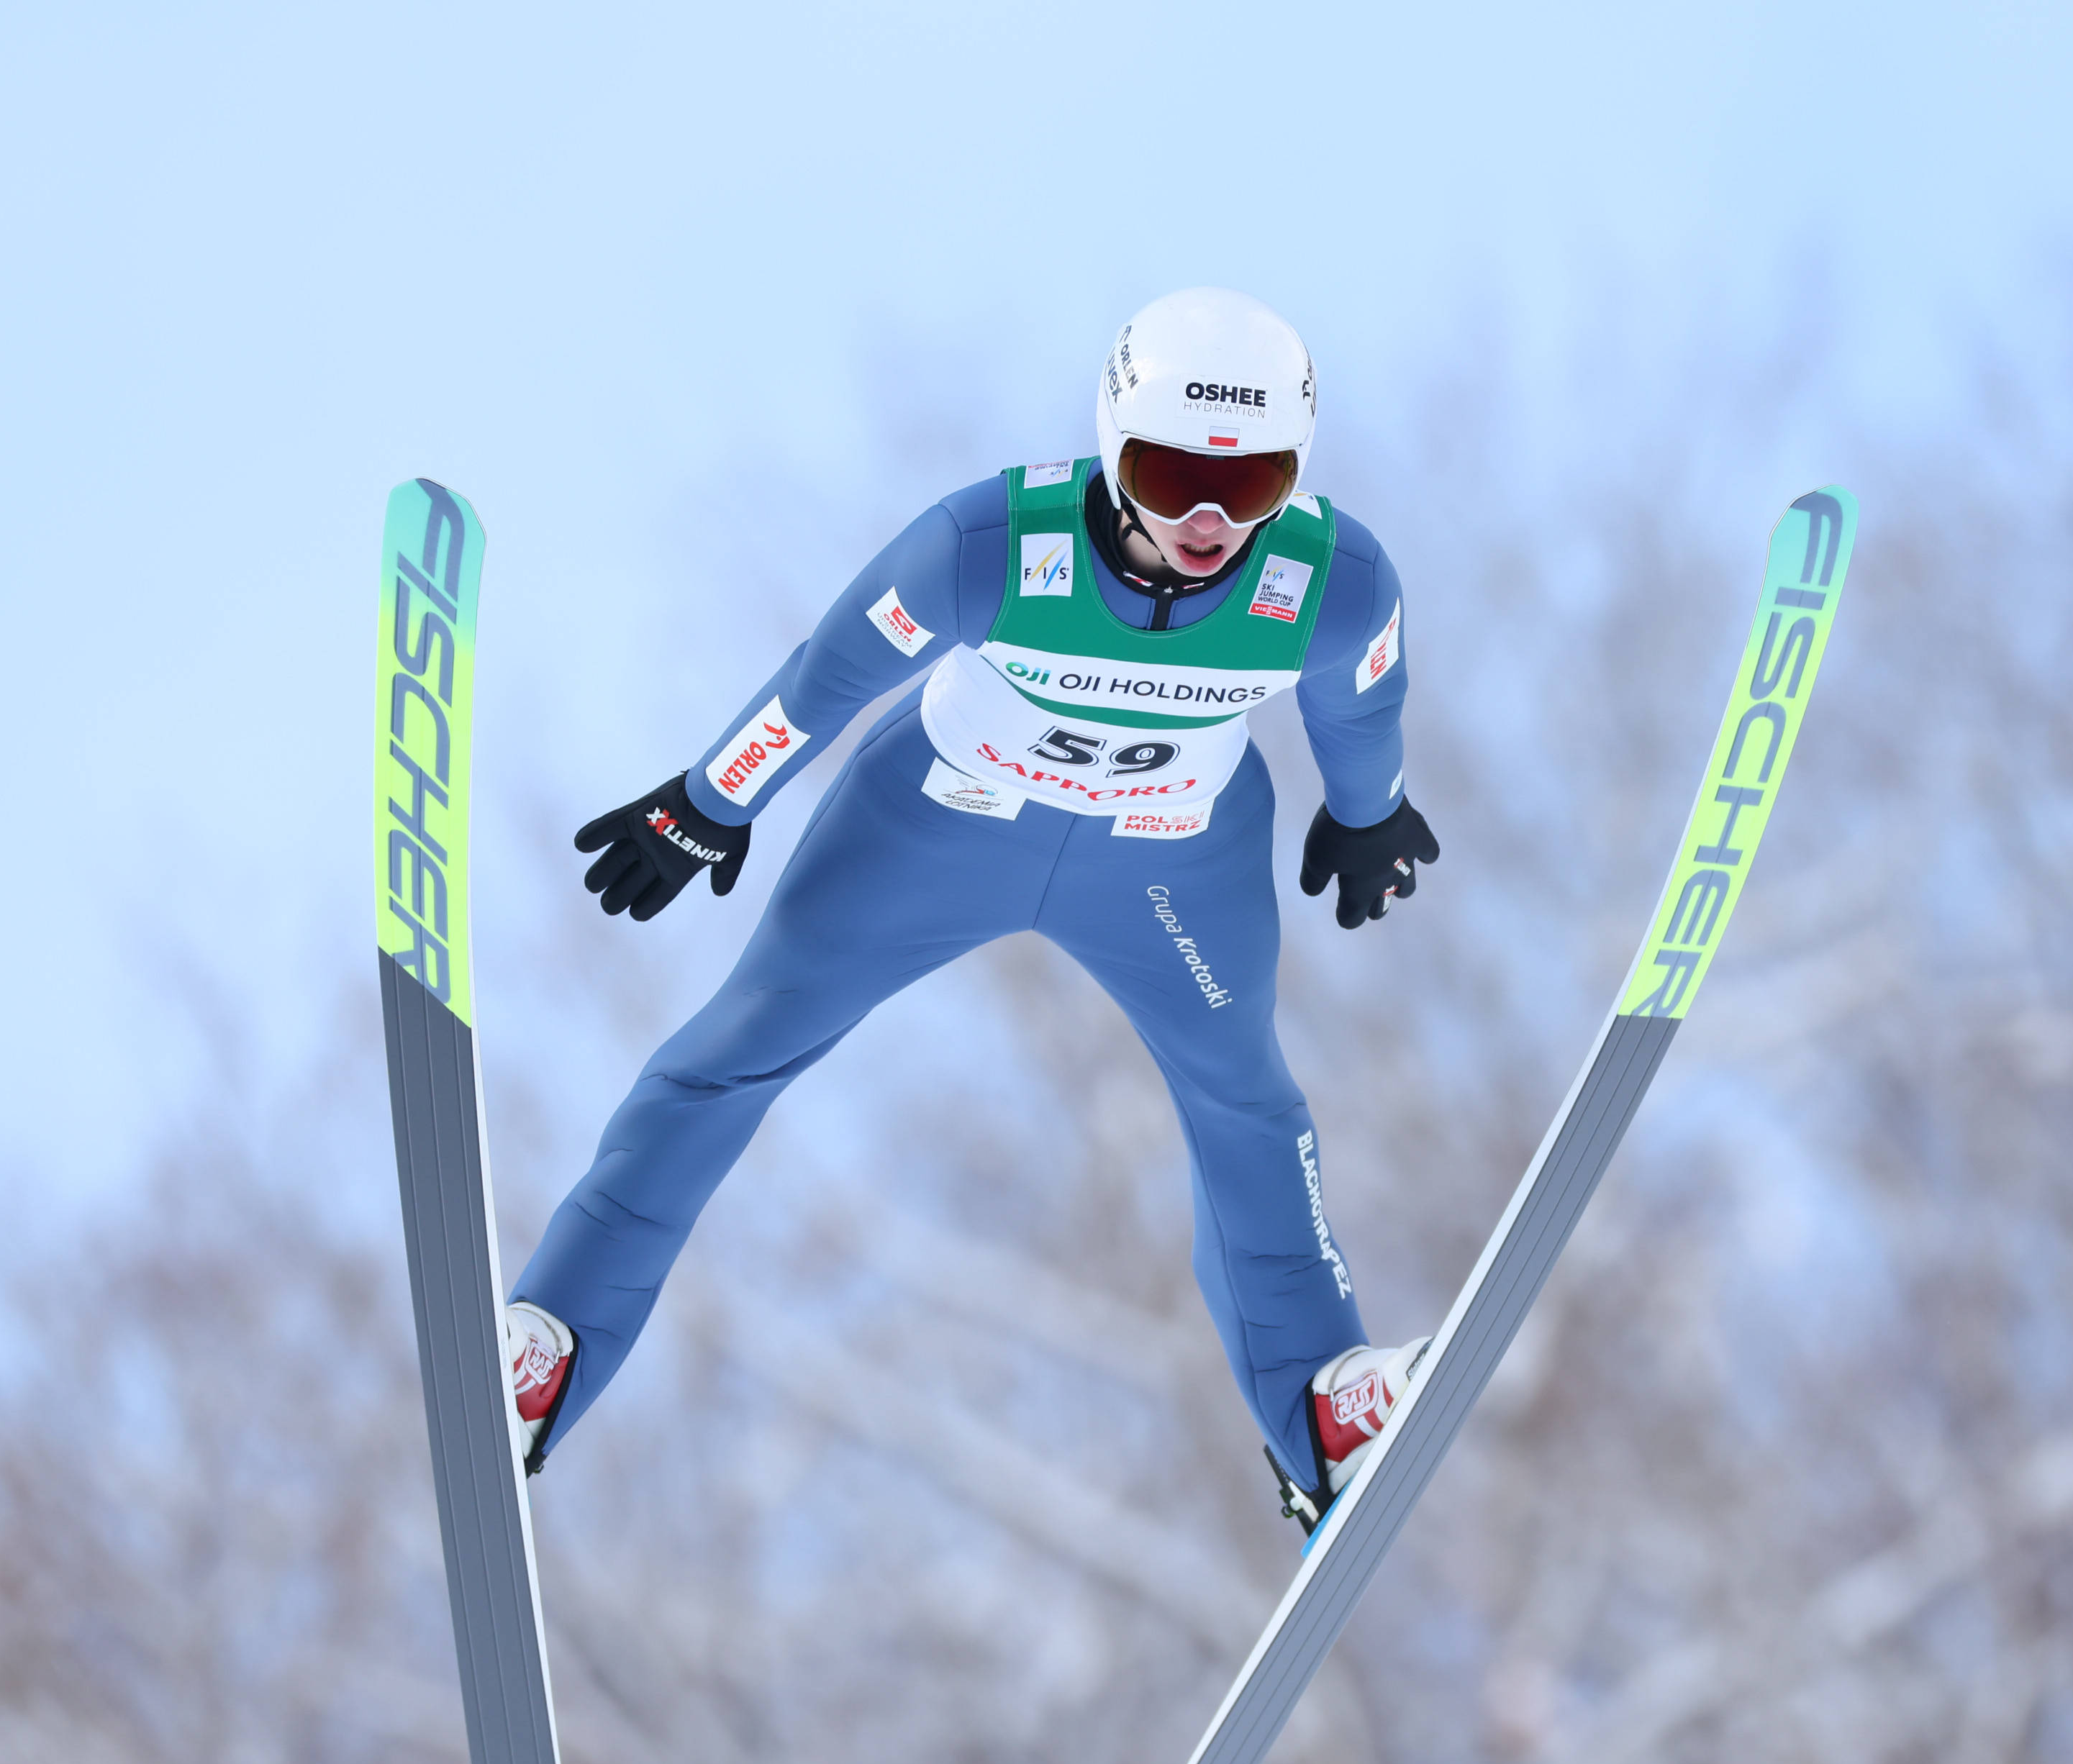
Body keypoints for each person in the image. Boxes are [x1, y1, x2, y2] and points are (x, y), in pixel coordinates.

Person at [500, 288, 1434, 1536]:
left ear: (1297, 471)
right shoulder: (988, 545)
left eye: (1253, 483)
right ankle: (551, 1344)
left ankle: (1323, 1411)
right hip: (938, 827)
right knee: (737, 1048)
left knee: (1247, 1103)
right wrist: (711, 801)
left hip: (1169, 864)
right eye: (1167, 475)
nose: (1208, 521)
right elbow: (825, 678)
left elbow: (1361, 709)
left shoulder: (1339, 581)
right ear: (1112, 447)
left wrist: (1370, 813)